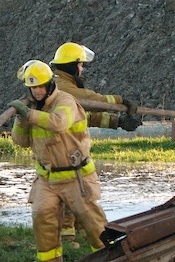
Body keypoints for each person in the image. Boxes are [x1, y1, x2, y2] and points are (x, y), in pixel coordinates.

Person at [8, 60, 108, 262]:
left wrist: (30, 114)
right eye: (33, 88)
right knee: (42, 215)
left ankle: (108, 257)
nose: (37, 91)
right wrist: (21, 120)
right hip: (47, 177)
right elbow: (21, 141)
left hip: (75, 175)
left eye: (41, 86)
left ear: (50, 84)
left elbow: (59, 123)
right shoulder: (32, 108)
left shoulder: (65, 100)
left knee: (91, 219)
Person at [50, 41, 142, 246]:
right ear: (71, 65)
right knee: (68, 196)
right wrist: (119, 101)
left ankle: (81, 234)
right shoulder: (62, 87)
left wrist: (118, 122)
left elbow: (86, 116)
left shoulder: (63, 85)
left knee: (81, 195)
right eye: (80, 64)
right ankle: (67, 241)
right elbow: (91, 100)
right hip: (63, 151)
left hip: (72, 151)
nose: (82, 69)